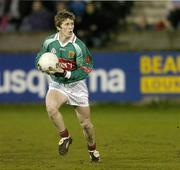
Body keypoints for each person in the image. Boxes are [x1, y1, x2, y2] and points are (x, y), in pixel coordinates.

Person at [35, 9, 100, 162]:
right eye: (67, 24)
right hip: (57, 85)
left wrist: (65, 73)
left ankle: (92, 150)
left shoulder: (79, 46)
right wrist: (41, 65)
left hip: (76, 86)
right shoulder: (49, 42)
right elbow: (40, 57)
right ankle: (65, 137)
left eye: (72, 24)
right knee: (51, 108)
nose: (71, 27)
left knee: (86, 125)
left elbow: (86, 69)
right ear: (59, 27)